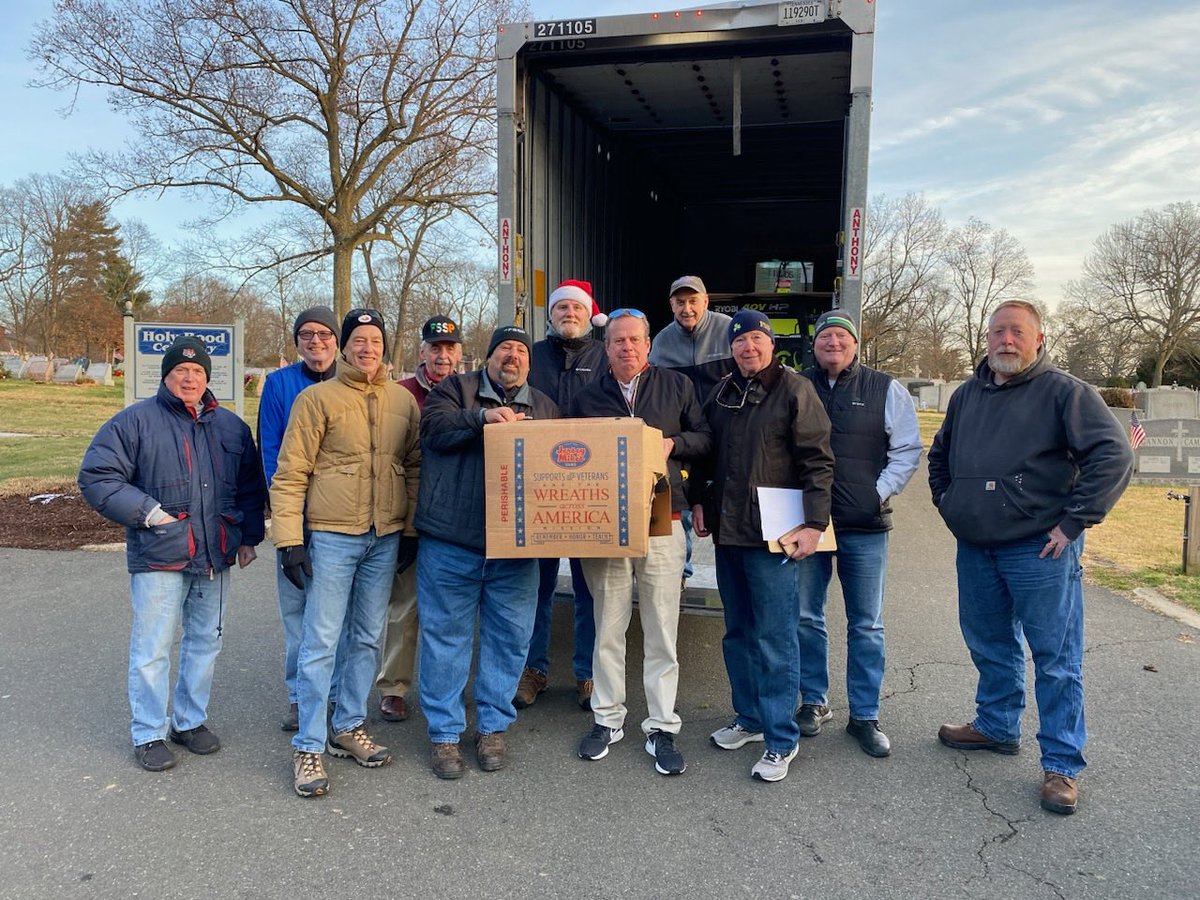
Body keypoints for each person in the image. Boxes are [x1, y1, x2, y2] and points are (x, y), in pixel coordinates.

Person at [928, 300, 1133, 816]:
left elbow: (1114, 454)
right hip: (977, 547)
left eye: (1017, 332)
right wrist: (951, 505)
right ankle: (996, 725)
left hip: (1039, 548)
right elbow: (940, 455)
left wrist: (1073, 523)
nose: (1005, 340)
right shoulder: (967, 395)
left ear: (1039, 339)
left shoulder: (1065, 393)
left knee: (1056, 658)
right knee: (990, 641)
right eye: (997, 331)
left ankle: (1062, 764)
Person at [79, 335, 266, 772]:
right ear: (165, 376)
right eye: (180, 371)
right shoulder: (135, 422)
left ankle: (190, 721)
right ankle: (148, 731)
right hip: (160, 554)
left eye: (198, 371)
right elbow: (97, 476)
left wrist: (248, 538)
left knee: (206, 642)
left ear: (208, 377)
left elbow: (250, 487)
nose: (189, 377)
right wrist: (148, 512)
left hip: (216, 554)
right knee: (154, 646)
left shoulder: (231, 427)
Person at [270, 308, 421, 798]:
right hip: (333, 535)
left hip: (385, 536)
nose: (367, 348)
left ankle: (347, 725)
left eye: (375, 340)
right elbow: (291, 470)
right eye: (359, 339)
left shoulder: (404, 402)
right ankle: (309, 744)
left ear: (385, 346)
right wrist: (289, 539)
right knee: (321, 640)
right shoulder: (317, 399)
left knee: (367, 637)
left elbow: (413, 467)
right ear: (344, 346)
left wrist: (411, 529)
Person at [691, 309, 833, 783]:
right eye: (739, 341)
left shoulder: (795, 390)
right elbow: (710, 456)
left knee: (774, 638)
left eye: (756, 339)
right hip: (730, 533)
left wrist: (814, 523)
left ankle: (780, 738)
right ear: (730, 348)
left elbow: (817, 460)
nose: (748, 348)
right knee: (738, 633)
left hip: (774, 537)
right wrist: (700, 503)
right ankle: (749, 719)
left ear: (771, 344)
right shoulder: (723, 392)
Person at [570, 308, 712, 776]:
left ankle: (661, 723)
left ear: (648, 345)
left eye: (634, 340)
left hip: (663, 517)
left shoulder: (678, 387)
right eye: (617, 341)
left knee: (660, 626)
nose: (626, 347)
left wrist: (674, 444)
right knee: (607, 625)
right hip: (607, 524)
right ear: (605, 348)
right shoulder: (588, 396)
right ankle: (607, 718)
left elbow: (705, 438)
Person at [415, 325, 559, 779]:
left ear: (529, 363)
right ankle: (444, 734)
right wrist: (481, 420)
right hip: (451, 541)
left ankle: (493, 727)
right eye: (503, 350)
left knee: (509, 640)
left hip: (516, 550)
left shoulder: (545, 407)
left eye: (520, 350)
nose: (512, 357)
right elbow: (434, 431)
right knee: (445, 639)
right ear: (488, 358)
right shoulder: (454, 390)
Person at [796, 310, 923, 758]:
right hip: (808, 524)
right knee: (806, 618)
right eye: (825, 335)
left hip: (864, 526)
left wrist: (878, 492)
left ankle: (865, 715)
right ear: (814, 344)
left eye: (842, 336)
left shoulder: (886, 389)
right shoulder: (797, 385)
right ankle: (813, 701)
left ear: (855, 344)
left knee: (866, 623)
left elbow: (908, 448)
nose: (833, 342)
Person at [517, 280, 609, 711]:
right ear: (550, 315)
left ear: (588, 313)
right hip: (540, 488)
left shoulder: (606, 353)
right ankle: (532, 669)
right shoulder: (531, 355)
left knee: (591, 588)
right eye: (560, 308)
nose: (568, 314)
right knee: (536, 586)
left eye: (576, 307)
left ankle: (588, 673)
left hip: (592, 489)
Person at [376, 314, 463, 723]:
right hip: (411, 515)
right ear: (422, 352)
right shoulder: (400, 395)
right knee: (404, 605)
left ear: (459, 354)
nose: (442, 356)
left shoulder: (469, 394)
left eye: (449, 349)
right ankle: (393, 686)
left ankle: (446, 685)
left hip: (454, 518)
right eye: (435, 348)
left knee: (450, 613)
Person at [257, 306, 340, 732]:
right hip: (298, 517)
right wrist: (287, 519)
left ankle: (338, 693)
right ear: (297, 342)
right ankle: (299, 695)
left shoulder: (350, 383)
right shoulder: (279, 385)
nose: (316, 341)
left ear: (336, 340)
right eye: (306, 334)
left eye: (325, 334)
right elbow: (270, 451)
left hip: (340, 519)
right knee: (299, 612)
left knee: (337, 616)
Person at [648, 275, 735, 587]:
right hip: (685, 434)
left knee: (726, 500)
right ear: (672, 305)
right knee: (682, 502)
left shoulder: (728, 330)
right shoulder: (661, 342)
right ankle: (680, 574)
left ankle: (733, 573)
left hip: (724, 431)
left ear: (706, 301)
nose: (687, 308)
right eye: (680, 302)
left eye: (692, 301)